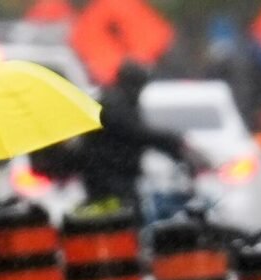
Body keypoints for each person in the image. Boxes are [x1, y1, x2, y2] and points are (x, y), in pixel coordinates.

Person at [77, 60, 207, 214]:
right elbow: (137, 133)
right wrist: (176, 143)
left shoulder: (122, 102)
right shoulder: (114, 104)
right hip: (109, 178)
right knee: (125, 218)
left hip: (116, 175)